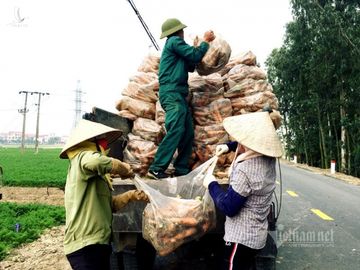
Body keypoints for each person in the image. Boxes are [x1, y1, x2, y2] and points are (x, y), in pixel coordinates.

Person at [60, 119, 149, 270]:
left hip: (98, 243)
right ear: (90, 142)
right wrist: (123, 168)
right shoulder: (82, 157)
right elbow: (97, 162)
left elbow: (108, 206)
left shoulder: (95, 177)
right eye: (102, 141)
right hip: (85, 245)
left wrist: (131, 195)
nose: (106, 146)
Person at [203, 111, 283, 269]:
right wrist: (228, 147)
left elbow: (229, 207)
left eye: (241, 141)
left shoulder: (246, 170)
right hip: (256, 236)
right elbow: (251, 144)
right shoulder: (267, 158)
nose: (239, 142)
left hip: (240, 239)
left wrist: (211, 184)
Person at [147, 18, 216, 179]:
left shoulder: (176, 47)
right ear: (178, 32)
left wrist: (200, 53)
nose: (183, 33)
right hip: (171, 93)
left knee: (188, 133)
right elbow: (194, 54)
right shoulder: (174, 41)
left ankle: (181, 169)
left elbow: (192, 63)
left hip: (179, 95)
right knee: (176, 128)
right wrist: (205, 41)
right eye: (182, 31)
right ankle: (156, 168)